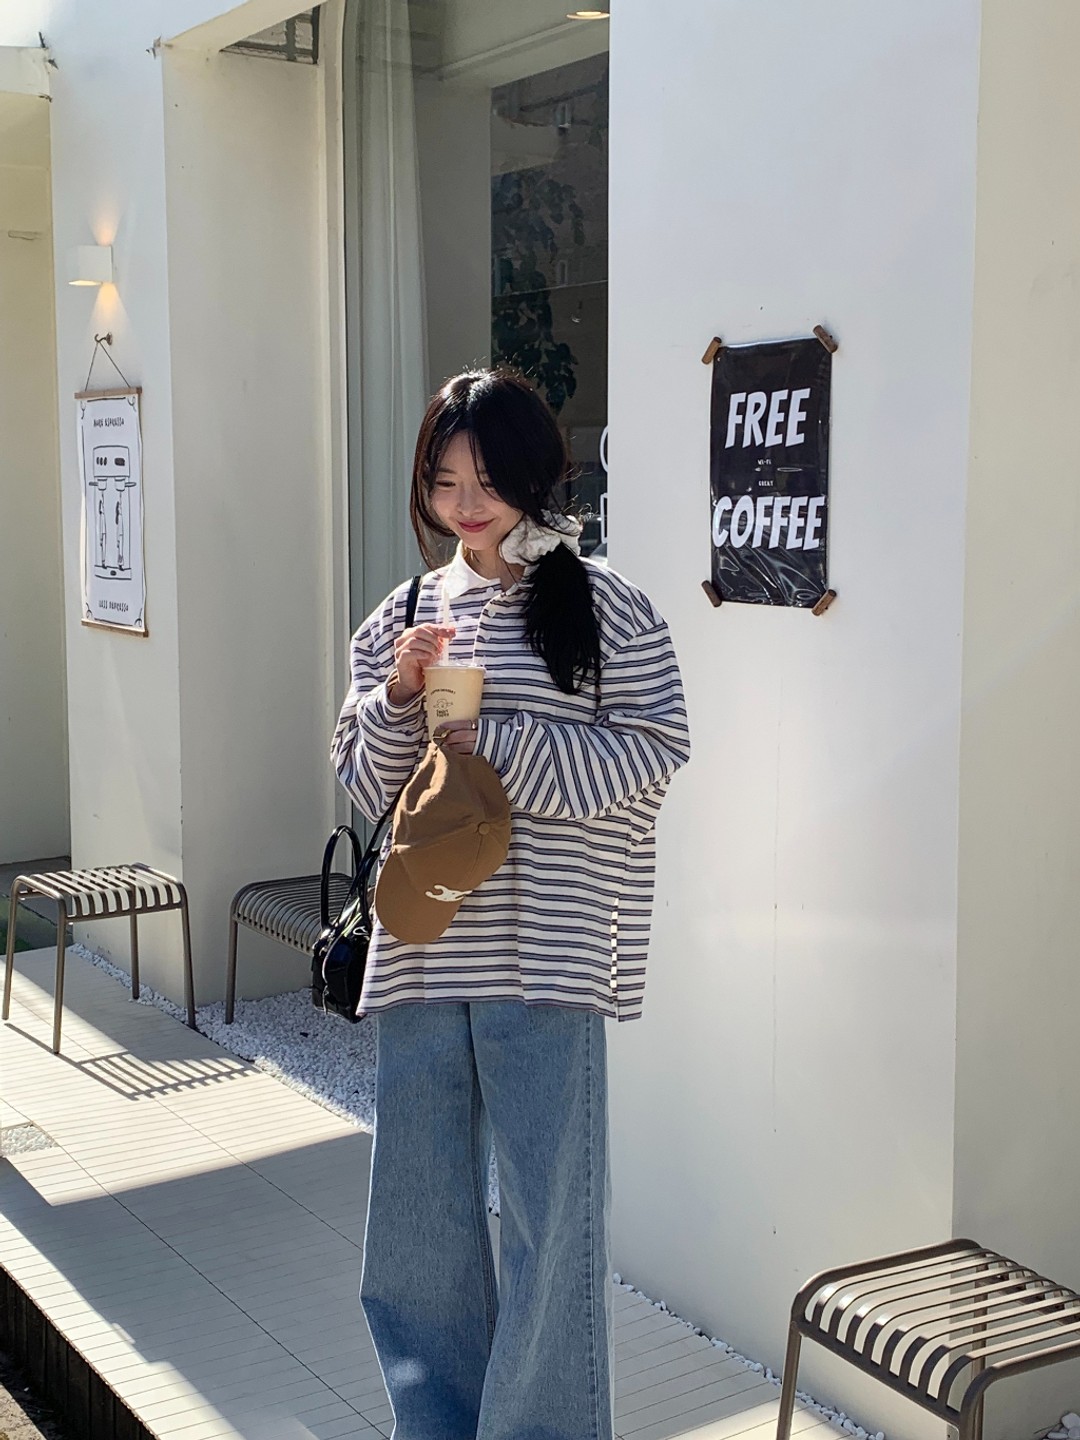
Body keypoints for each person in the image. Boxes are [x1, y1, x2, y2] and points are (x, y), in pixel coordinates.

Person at [331, 369, 690, 1440]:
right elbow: (364, 784)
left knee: (550, 1232)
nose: (466, 504)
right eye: (445, 482)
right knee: (418, 1238)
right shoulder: (402, 616)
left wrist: (501, 744)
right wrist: (398, 697)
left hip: (551, 954)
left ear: (537, 472)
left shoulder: (608, 606)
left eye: (486, 479)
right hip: (424, 951)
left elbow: (656, 753)